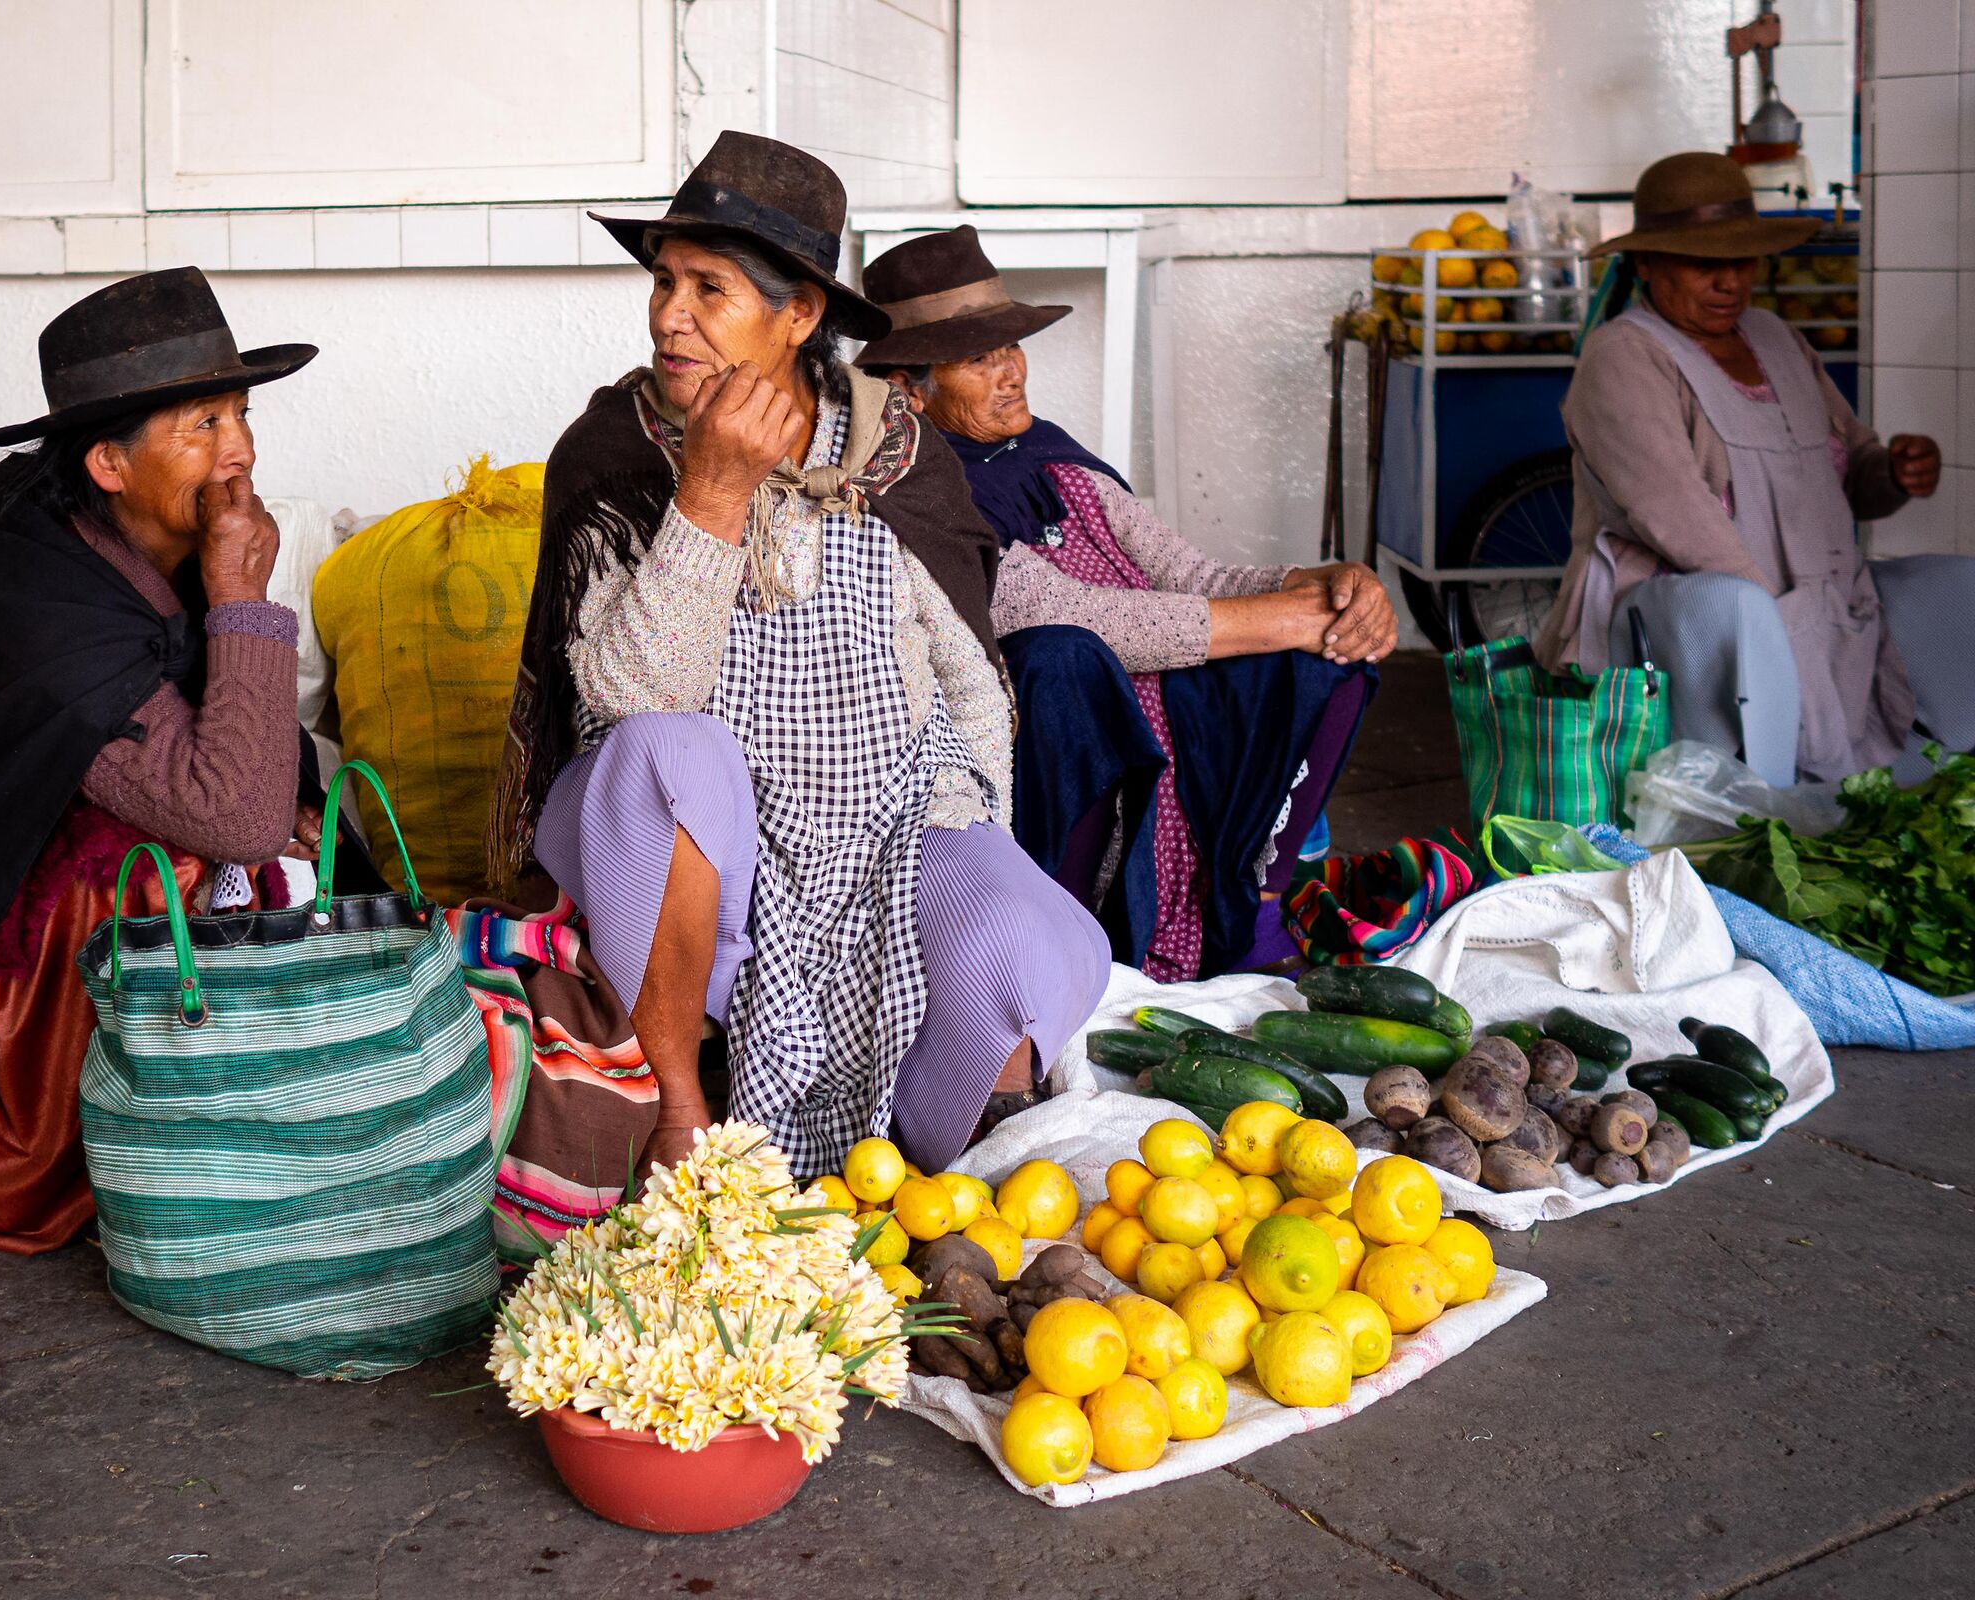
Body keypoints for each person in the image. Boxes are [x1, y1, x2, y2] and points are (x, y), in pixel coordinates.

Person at [490, 134, 1108, 1177]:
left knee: (1015, 941)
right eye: (665, 280)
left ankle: (957, 1158)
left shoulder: (892, 455)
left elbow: (971, 684)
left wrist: (960, 831)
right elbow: (631, 700)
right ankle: (680, 1107)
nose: (668, 315)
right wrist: (713, 494)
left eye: (710, 288)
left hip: (876, 828)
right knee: (675, 755)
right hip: (676, 852)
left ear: (801, 314)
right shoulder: (617, 452)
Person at [0, 267, 349, 1252]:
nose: (240, 452)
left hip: (28, 889)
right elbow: (229, 812)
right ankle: (69, 1125)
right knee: (181, 856)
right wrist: (242, 595)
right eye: (202, 425)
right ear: (108, 463)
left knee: (296, 823)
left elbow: (250, 760)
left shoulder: (145, 545)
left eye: (239, 413)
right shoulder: (42, 611)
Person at [856, 226, 1390, 979]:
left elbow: (1183, 571)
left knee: (1333, 654)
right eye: (980, 358)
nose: (1011, 371)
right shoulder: (908, 484)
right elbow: (1071, 615)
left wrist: (1323, 586)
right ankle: (1066, 933)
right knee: (1064, 658)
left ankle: (1258, 912)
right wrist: (1284, 616)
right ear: (910, 387)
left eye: (1010, 347)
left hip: (1151, 676)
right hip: (1027, 728)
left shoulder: (1044, 451)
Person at [1536, 151, 1974, 785]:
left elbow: (1849, 476)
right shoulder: (1623, 358)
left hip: (1816, 621)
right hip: (1694, 633)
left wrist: (1892, 473)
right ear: (1647, 264)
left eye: (1742, 262)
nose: (1729, 284)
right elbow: (1678, 517)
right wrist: (1781, 632)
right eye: (1704, 265)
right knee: (1747, 790)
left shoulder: (1775, 339)